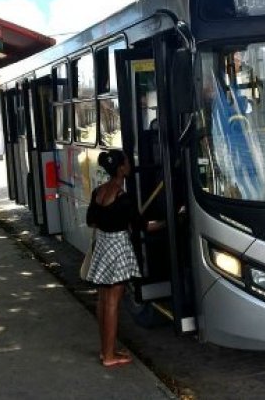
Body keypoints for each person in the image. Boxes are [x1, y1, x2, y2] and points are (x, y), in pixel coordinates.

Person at [85, 149, 163, 368]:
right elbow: (144, 227)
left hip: (102, 245)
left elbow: (91, 221)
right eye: (127, 162)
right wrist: (171, 221)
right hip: (117, 248)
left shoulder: (98, 192)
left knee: (103, 300)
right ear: (120, 169)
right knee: (113, 303)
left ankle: (105, 350)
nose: (130, 164)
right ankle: (110, 357)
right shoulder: (123, 197)